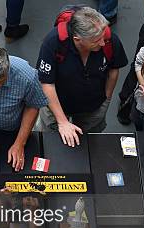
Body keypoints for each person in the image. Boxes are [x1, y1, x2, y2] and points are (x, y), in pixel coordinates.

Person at [36, 6, 127, 147]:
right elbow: (46, 83)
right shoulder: (53, 43)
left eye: (103, 38)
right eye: (96, 41)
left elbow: (113, 70)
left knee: (88, 144)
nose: (103, 43)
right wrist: (62, 122)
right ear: (78, 39)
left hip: (92, 106)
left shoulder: (108, 39)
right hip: (57, 104)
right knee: (52, 142)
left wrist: (105, 100)